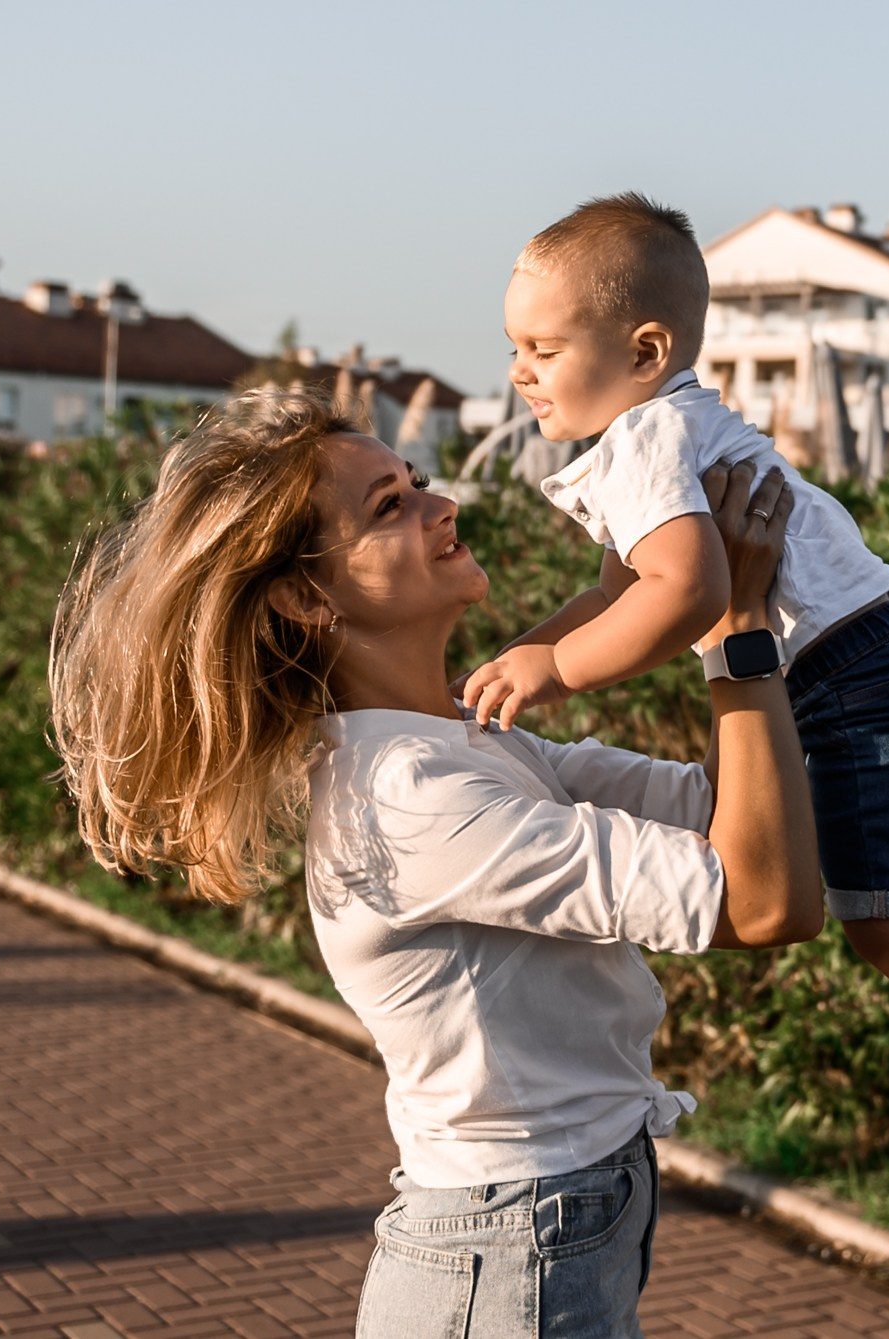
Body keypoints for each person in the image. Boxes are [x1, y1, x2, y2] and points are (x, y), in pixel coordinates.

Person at [50, 388, 824, 1336]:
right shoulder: (407, 793)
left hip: (548, 1222)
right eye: (389, 506)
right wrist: (731, 627)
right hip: (509, 1252)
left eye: (414, 481)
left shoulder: (470, 738)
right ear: (306, 595)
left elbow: (744, 820)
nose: (440, 502)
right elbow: (762, 901)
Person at [463, 191, 889, 1258]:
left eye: (543, 348)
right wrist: (527, 649)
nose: (520, 372)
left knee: (875, 916)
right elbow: (614, 590)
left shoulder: (644, 442)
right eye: (515, 348)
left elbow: (680, 592)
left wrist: (554, 673)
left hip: (848, 673)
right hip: (880, 650)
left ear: (642, 349)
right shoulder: (668, 424)